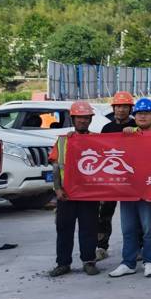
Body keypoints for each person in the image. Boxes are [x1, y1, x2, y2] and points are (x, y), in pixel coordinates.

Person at [109, 99, 151, 278]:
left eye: (146, 113)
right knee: (128, 228)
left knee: (149, 228)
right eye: (139, 114)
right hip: (128, 189)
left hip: (150, 189)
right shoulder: (127, 135)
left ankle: (150, 261)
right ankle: (128, 262)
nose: (143, 116)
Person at [47, 101, 100, 277]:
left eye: (86, 117)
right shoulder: (63, 141)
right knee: (64, 229)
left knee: (89, 228)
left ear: (91, 119)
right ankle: (63, 263)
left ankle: (89, 261)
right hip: (67, 194)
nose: (83, 121)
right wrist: (57, 189)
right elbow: (56, 167)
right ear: (73, 119)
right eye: (79, 118)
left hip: (89, 194)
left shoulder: (98, 140)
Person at [97, 91, 135, 261]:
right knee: (104, 214)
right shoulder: (107, 128)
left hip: (132, 178)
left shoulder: (136, 125)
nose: (121, 110)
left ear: (130, 109)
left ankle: (138, 247)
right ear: (113, 108)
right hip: (111, 178)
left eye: (124, 107)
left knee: (134, 215)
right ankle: (101, 246)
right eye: (118, 106)